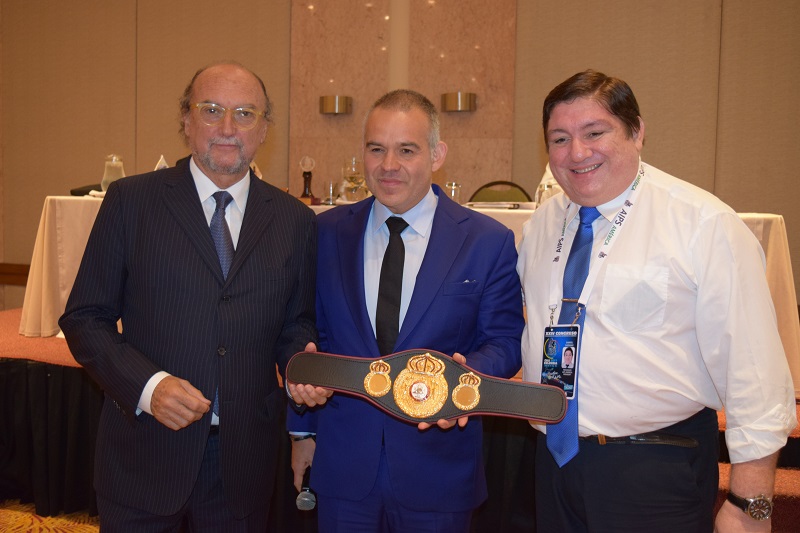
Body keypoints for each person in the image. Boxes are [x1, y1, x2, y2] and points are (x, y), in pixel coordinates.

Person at [517, 69, 797, 532]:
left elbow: (754, 370)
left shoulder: (702, 225)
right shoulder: (543, 225)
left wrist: (751, 503)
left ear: (637, 131)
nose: (577, 152)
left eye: (595, 133)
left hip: (654, 466)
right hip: (554, 464)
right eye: (560, 139)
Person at [59, 62, 317, 531]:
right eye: (211, 110)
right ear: (186, 119)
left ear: (264, 129)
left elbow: (295, 323)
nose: (228, 127)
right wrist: (149, 387)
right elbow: (85, 318)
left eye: (245, 113)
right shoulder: (130, 201)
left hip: (243, 461)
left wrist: (304, 363)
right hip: (145, 450)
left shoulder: (294, 220)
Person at [287, 89, 524, 532]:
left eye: (407, 150)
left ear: (437, 154)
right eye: (376, 149)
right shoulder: (326, 232)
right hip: (344, 466)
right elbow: (307, 332)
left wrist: (462, 378)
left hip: (438, 467)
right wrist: (302, 430)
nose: (388, 165)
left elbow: (506, 341)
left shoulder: (486, 241)